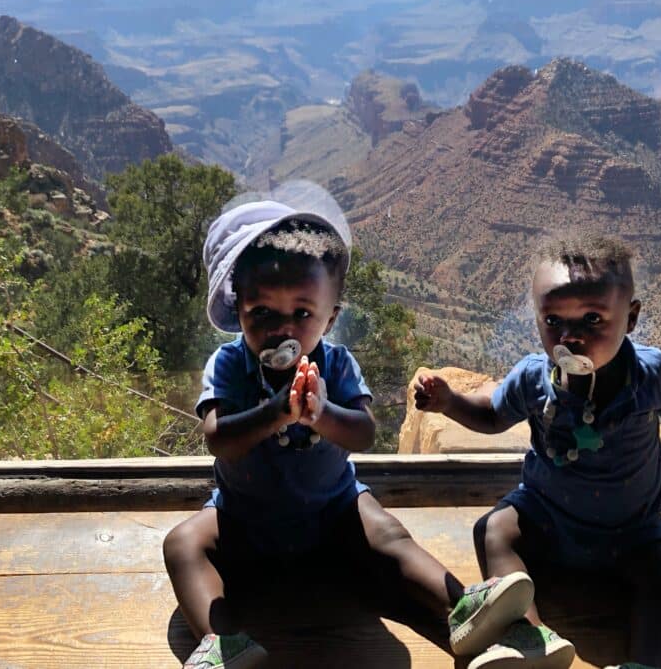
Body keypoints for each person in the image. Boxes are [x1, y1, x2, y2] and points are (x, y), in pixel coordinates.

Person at [163, 199, 535, 668]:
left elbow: (361, 433)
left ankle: (464, 608)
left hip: (334, 512)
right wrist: (277, 411)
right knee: (182, 544)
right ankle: (223, 643)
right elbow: (218, 438)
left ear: (330, 316)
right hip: (244, 520)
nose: (282, 329)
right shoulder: (230, 364)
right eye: (261, 313)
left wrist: (320, 413)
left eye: (302, 313)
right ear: (238, 312)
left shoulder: (336, 364)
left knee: (390, 536)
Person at [414, 233, 661, 669]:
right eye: (554, 322)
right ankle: (530, 638)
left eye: (592, 320)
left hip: (632, 531)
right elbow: (493, 416)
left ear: (631, 318)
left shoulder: (649, 374)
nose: (570, 339)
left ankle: (647, 663)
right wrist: (451, 402)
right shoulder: (534, 379)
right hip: (546, 516)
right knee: (493, 531)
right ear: (536, 319)